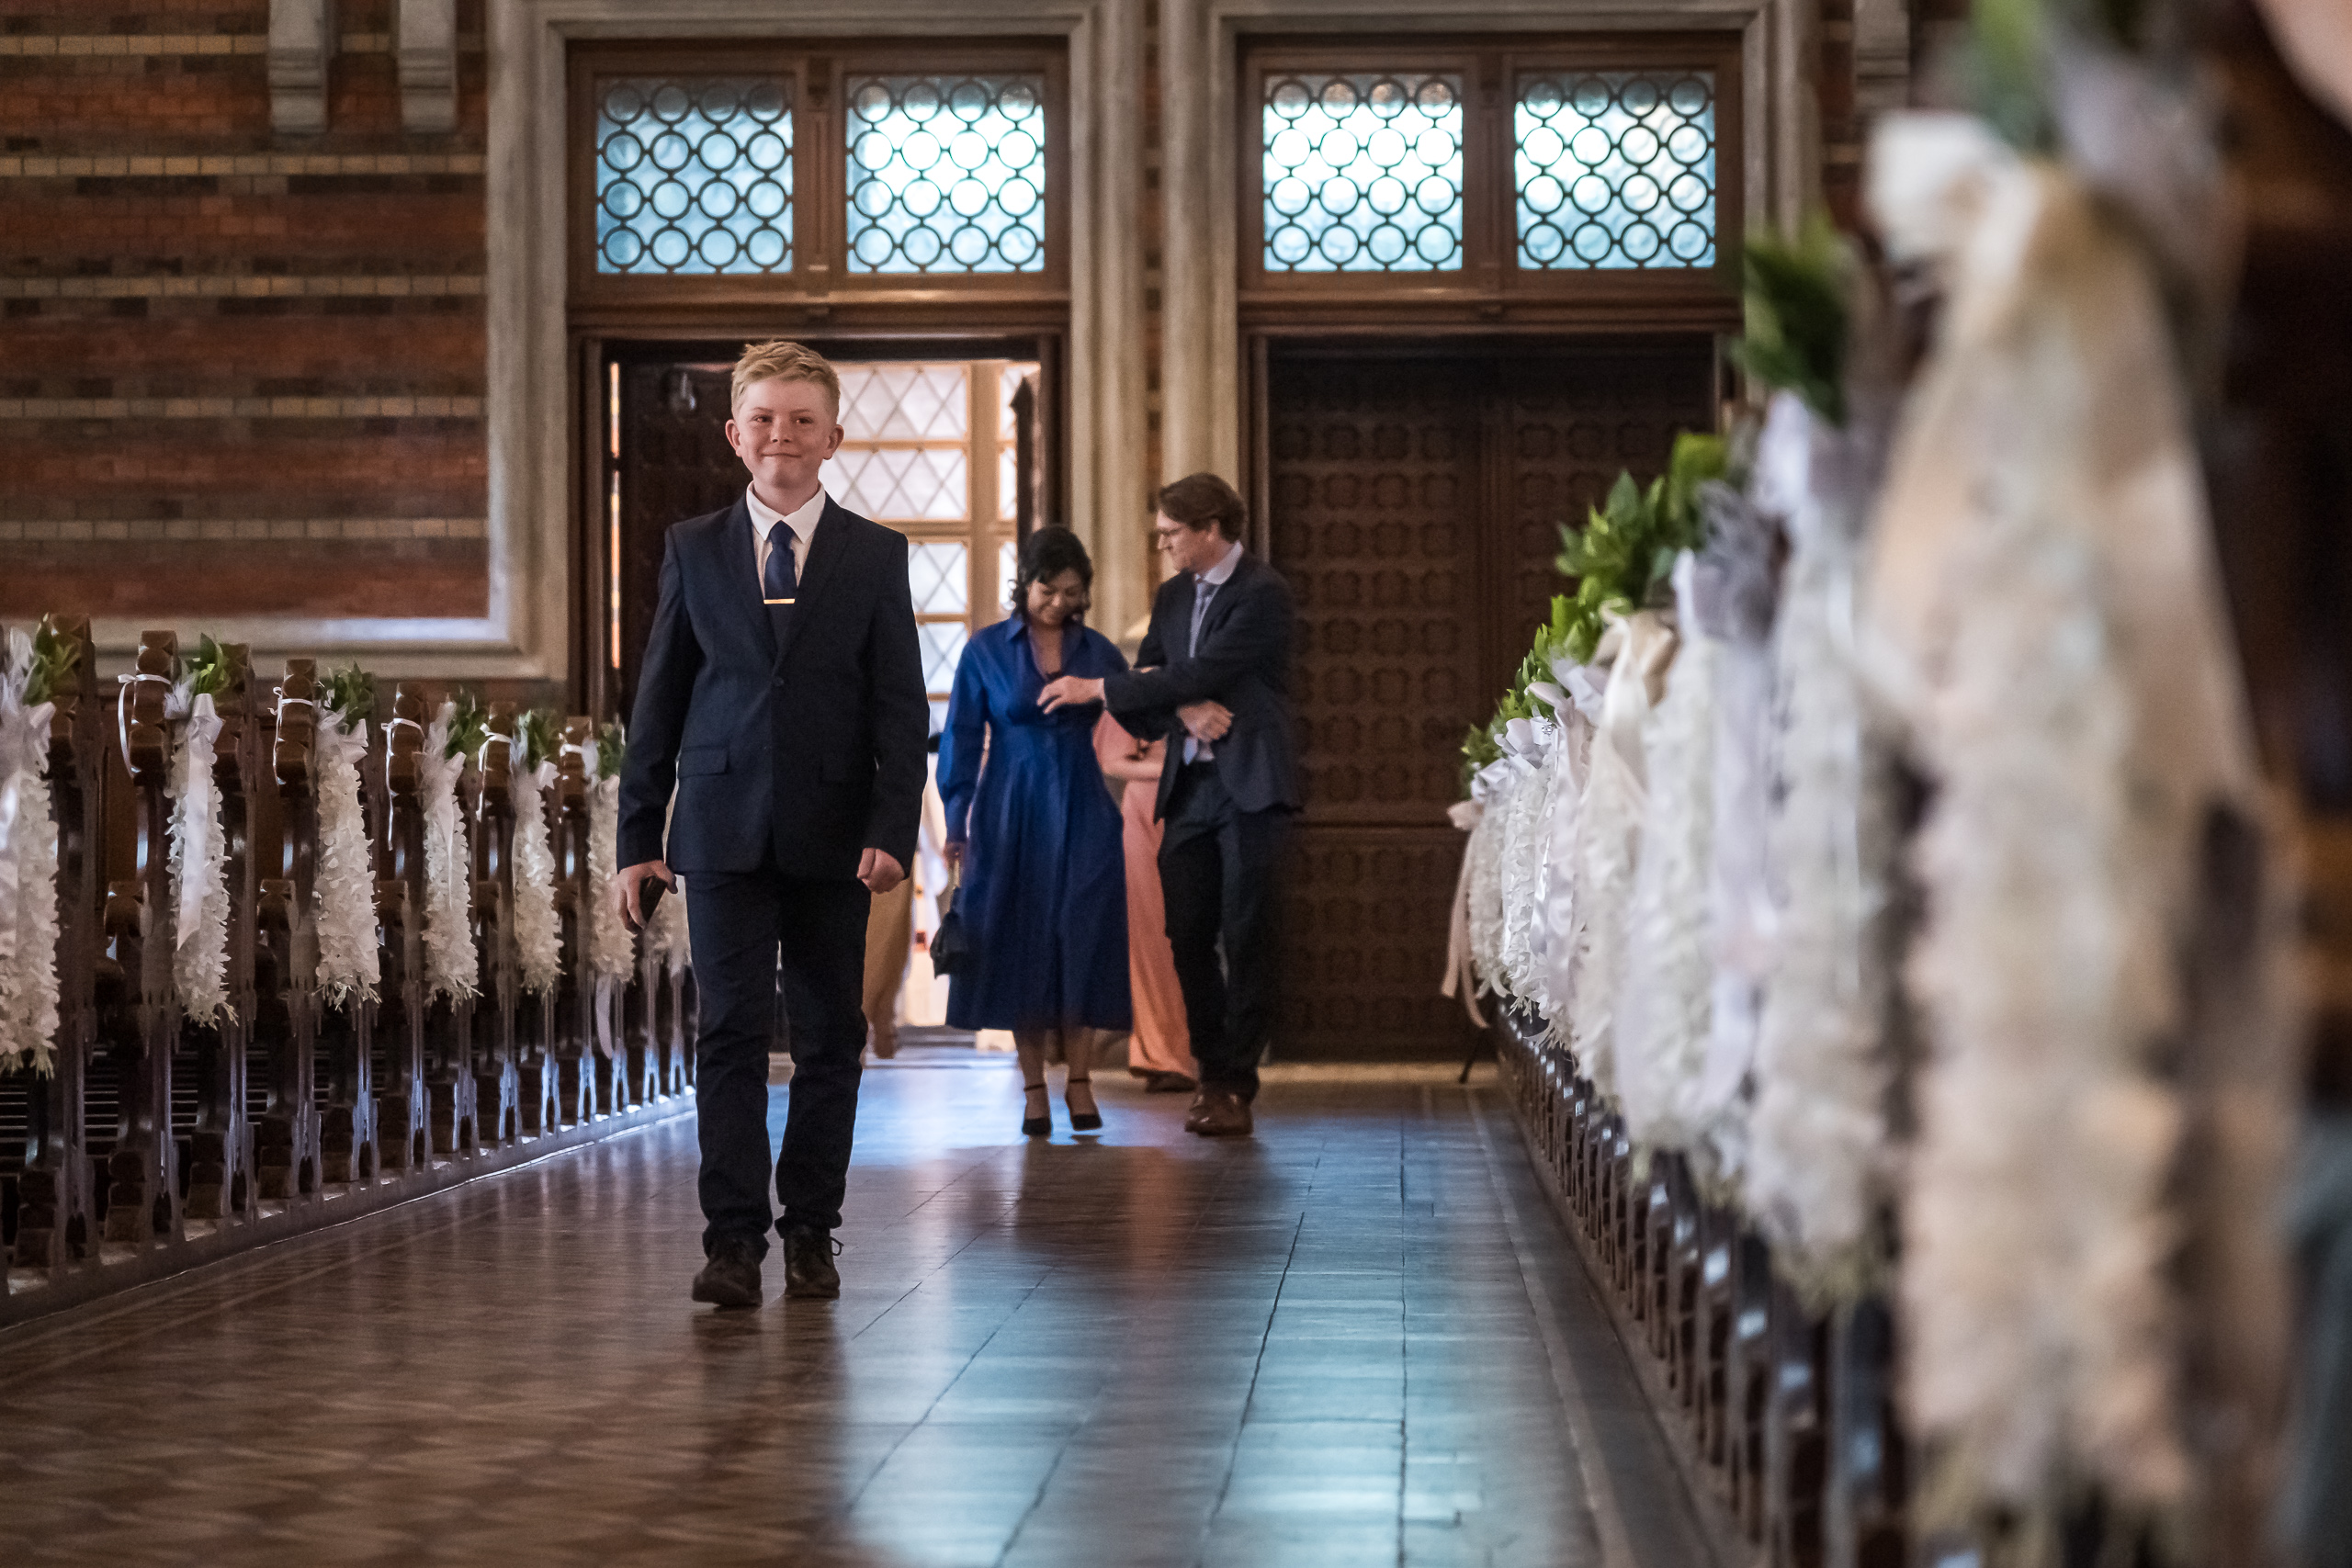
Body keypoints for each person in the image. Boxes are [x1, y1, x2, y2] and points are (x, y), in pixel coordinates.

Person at [615, 340, 927, 1310]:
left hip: (837, 835)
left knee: (831, 1034)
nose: (780, 435)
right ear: (734, 435)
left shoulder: (874, 554)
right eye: (763, 419)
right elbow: (658, 699)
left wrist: (891, 829)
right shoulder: (692, 547)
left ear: (831, 437)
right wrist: (638, 838)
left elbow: (899, 708)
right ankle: (733, 1242)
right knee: (732, 1034)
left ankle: (811, 1232)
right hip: (718, 828)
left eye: (800, 420)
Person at [1040, 473, 1298, 1138]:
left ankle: (1235, 1084)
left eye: (1170, 534)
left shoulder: (1264, 593)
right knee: (1185, 934)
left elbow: (1203, 669)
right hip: (1188, 785)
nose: (1162, 545)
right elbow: (1157, 677)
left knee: (1245, 936)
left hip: (1250, 784)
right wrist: (1179, 704)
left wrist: (1104, 686)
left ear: (1209, 528)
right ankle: (1210, 1071)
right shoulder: (1173, 595)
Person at [939, 528, 1133, 1137]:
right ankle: (1031, 1091)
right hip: (1009, 809)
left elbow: (1143, 704)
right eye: (1048, 589)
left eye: (1071, 592)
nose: (1057, 602)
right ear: (1025, 583)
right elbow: (962, 739)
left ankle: (1079, 1080)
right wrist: (955, 818)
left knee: (1083, 933)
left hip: (1083, 806)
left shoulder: (1098, 650)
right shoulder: (987, 649)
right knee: (1020, 940)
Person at [1091, 713, 1197, 1093]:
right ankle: (1160, 1054)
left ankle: (1191, 1052)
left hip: (1193, 805)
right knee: (1150, 935)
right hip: (1145, 812)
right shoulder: (1139, 692)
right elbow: (1111, 760)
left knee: (1193, 933)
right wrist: (1172, 766)